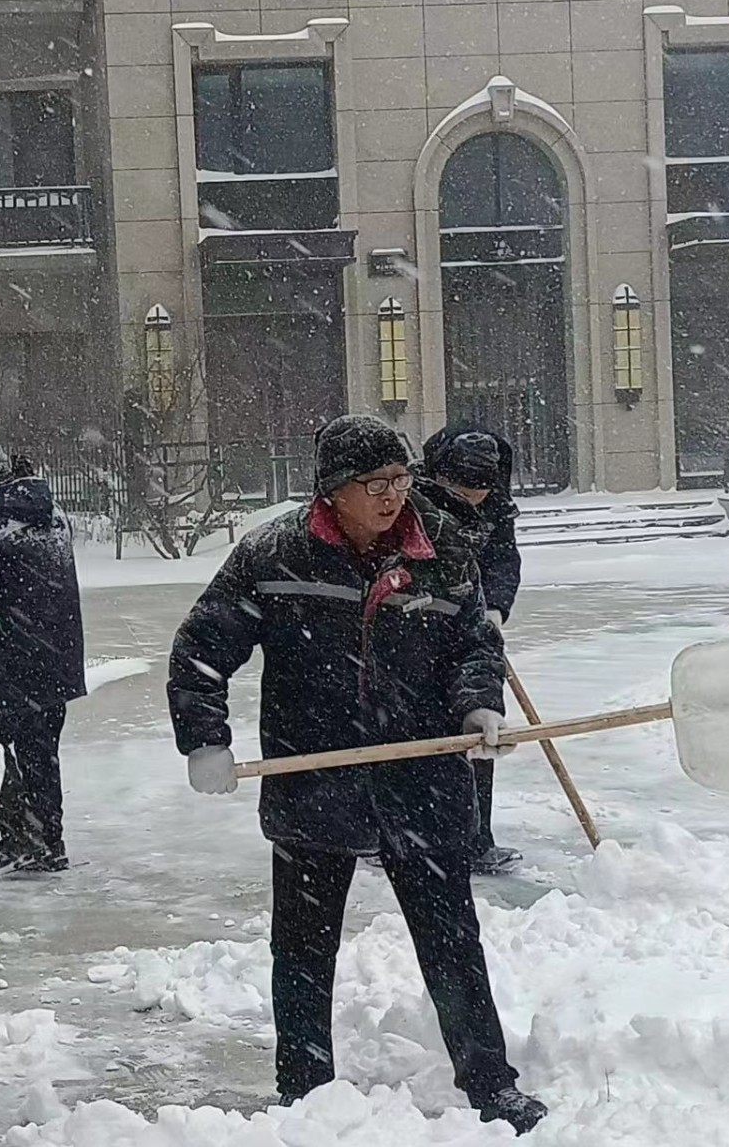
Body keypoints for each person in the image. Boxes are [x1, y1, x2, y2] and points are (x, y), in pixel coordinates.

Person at [166, 413, 547, 1135]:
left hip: (422, 780)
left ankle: (491, 1082)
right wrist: (204, 740)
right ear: (333, 490)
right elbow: (202, 646)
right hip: (316, 782)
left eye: (400, 479)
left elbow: (474, 642)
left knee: (452, 942)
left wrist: (476, 708)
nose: (392, 496)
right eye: (374, 484)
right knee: (303, 949)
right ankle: (304, 1088)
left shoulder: (441, 549)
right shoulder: (279, 555)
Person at [0, 433, 86, 878]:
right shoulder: (52, 514)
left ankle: (18, 839)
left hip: (4, 666)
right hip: (53, 660)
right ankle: (50, 841)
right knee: (40, 754)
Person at [415, 424, 525, 875]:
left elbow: (504, 559)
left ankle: (476, 838)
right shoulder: (415, 503)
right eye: (464, 490)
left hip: (474, 636)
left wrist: (494, 608)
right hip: (416, 633)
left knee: (480, 728)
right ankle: (396, 835)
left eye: (480, 491)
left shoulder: (496, 506)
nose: (473, 500)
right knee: (413, 734)